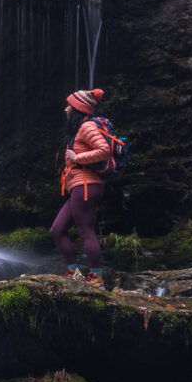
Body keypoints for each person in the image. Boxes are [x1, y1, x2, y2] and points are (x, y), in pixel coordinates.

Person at [54, 88, 120, 282]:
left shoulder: (87, 127)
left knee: (85, 230)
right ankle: (74, 271)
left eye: (69, 106)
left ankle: (95, 276)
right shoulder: (80, 129)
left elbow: (104, 149)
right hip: (79, 186)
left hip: (86, 186)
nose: (66, 109)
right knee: (57, 229)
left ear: (77, 109)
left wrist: (78, 157)